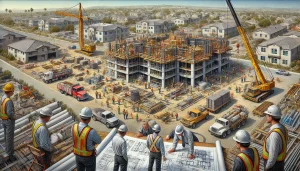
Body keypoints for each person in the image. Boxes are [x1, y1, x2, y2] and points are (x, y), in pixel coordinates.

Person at [72, 107, 101, 171]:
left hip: (77, 155)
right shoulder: (91, 131)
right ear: (89, 119)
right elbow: (99, 141)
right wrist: (92, 143)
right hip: (88, 157)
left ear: (80, 116)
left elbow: (75, 139)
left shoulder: (73, 127)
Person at [262, 105, 288, 171]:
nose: (266, 116)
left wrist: (267, 168)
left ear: (271, 117)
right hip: (279, 164)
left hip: (273, 167)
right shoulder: (282, 127)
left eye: (267, 115)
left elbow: (272, 157)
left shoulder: (274, 134)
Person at [1, 83, 16, 162]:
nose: (13, 93)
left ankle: (7, 151)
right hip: (9, 121)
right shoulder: (9, 101)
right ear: (10, 91)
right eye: (12, 91)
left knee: (6, 137)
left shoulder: (3, 97)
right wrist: (14, 117)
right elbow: (10, 113)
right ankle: (10, 156)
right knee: (10, 139)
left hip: (3, 120)